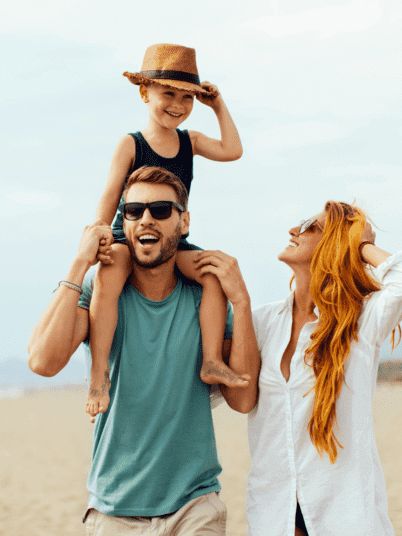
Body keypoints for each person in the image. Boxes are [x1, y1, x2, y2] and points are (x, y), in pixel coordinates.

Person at [28, 166, 260, 534]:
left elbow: (244, 400)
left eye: (161, 210)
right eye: (133, 211)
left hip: (194, 505)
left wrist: (242, 302)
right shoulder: (103, 293)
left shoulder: (206, 302)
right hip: (114, 510)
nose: (145, 219)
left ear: (184, 223)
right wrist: (80, 262)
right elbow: (41, 361)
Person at [240, 201, 402, 535]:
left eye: (310, 226)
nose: (293, 231)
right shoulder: (263, 323)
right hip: (272, 518)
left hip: (344, 519)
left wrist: (361, 244)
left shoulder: (360, 324)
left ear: (333, 245)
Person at [86, 43, 247, 419]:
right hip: (129, 234)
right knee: (108, 278)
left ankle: (210, 361)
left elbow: (232, 150)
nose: (177, 104)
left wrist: (217, 105)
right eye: (167, 94)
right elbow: (111, 192)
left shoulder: (189, 142)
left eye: (186, 97)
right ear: (145, 93)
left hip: (175, 240)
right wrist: (99, 232)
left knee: (212, 274)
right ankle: (98, 374)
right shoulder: (131, 144)